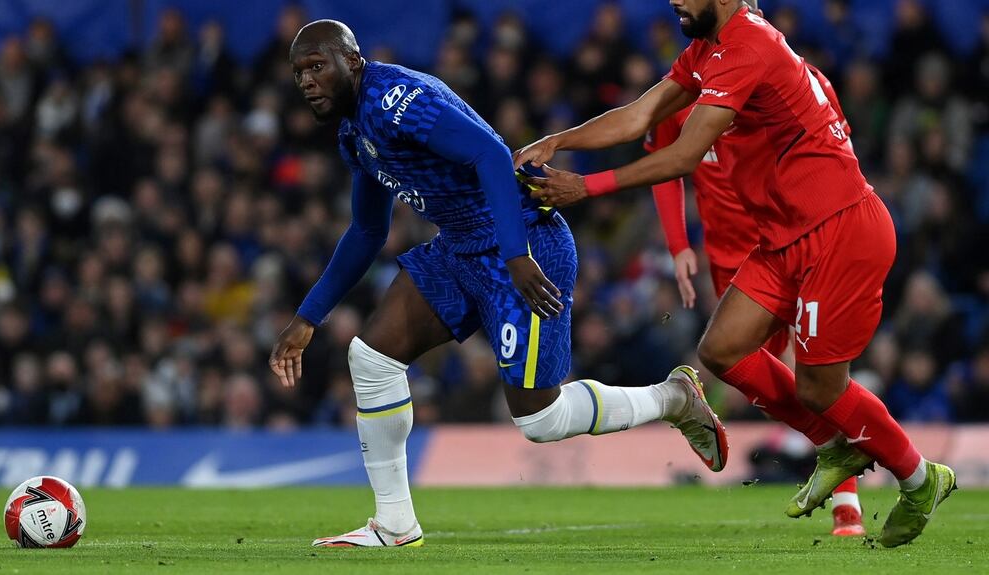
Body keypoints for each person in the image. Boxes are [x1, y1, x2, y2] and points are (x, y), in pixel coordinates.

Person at [269, 19, 728, 549]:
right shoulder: (357, 131)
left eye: (317, 66)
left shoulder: (396, 100)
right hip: (461, 247)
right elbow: (369, 229)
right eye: (299, 72)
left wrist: (515, 255)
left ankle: (673, 398)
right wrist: (308, 317)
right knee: (372, 359)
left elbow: (489, 152)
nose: (306, 81)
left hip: (523, 243)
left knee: (542, 420)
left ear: (352, 61)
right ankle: (394, 524)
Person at [513, 0, 954, 548]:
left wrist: (587, 185)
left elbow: (683, 156)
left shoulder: (747, 49)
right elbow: (639, 115)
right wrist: (560, 140)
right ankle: (835, 446)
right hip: (782, 237)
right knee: (722, 350)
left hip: (838, 233)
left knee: (821, 388)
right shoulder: (708, 49)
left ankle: (920, 477)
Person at [644, 0, 864, 538]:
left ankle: (848, 500)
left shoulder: (785, 77)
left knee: (815, 366)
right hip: (731, 258)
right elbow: (664, 166)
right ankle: (834, 453)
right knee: (759, 372)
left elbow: (833, 149)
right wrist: (678, 244)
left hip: (793, 241)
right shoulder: (686, 91)